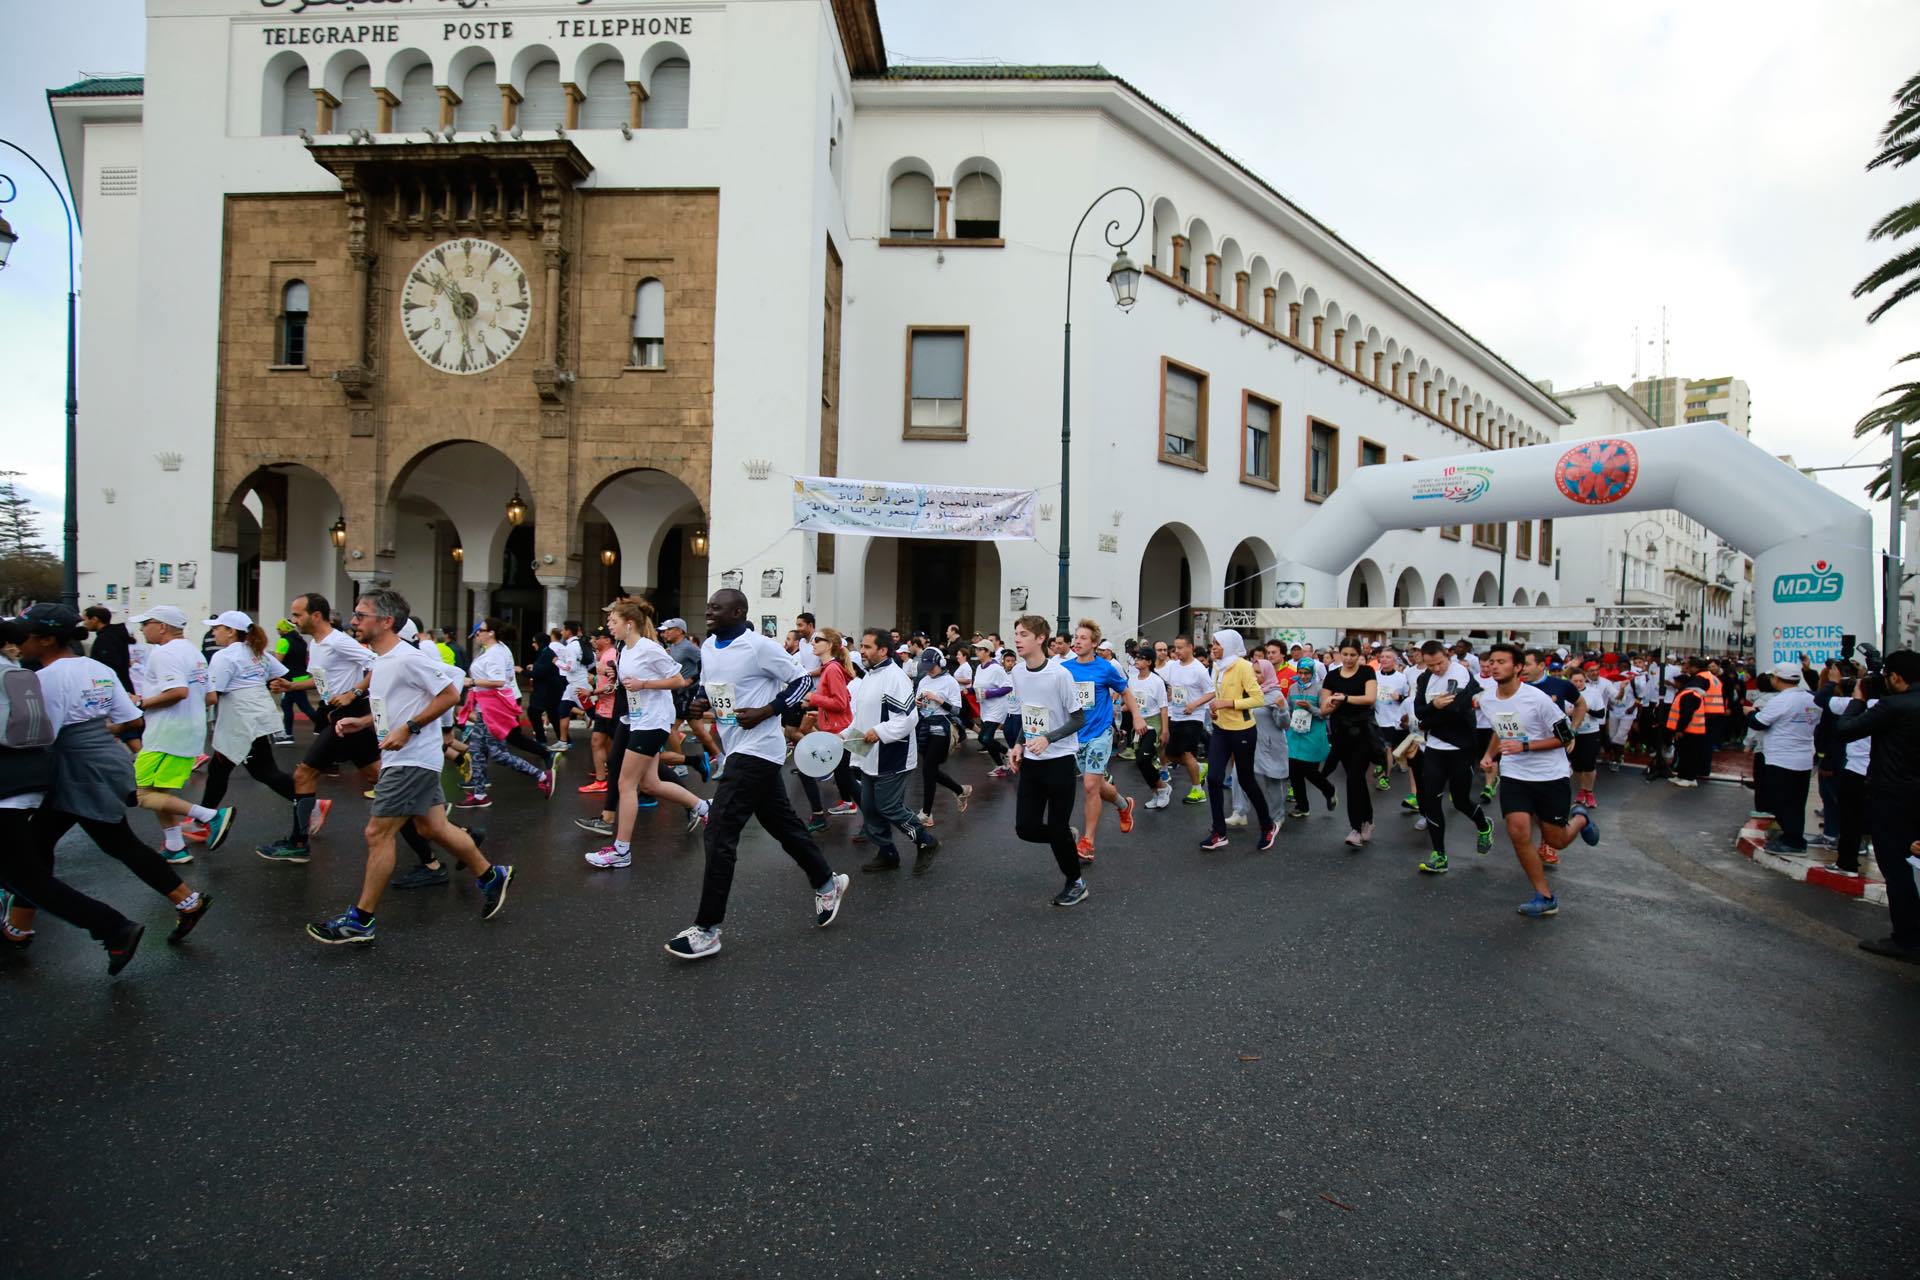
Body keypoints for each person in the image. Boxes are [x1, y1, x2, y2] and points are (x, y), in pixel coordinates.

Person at [305, 590, 512, 944]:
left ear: (386, 622)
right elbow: (398, 706)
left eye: (361, 615)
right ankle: (490, 875)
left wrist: (410, 728)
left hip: (411, 759)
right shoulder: (383, 660)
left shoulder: (406, 658)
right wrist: (364, 723)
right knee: (433, 827)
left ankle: (361, 920)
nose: (353, 621)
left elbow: (449, 692)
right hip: (406, 756)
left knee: (377, 833)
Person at [0, 608, 197, 973]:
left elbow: (42, 734)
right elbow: (129, 719)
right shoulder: (97, 669)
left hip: (75, 768)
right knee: (56, 845)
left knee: (73, 846)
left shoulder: (43, 678)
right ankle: (19, 926)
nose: (19, 644)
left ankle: (30, 926)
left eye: (25, 637)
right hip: (108, 760)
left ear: (45, 639)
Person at [661, 589, 847, 961]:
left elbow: (802, 684)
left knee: (719, 830)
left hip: (758, 750)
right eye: (708, 605)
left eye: (717, 607)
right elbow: (712, 686)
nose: (709, 611)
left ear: (739, 611)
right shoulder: (711, 646)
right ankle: (827, 882)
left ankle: (707, 929)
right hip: (736, 746)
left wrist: (767, 711)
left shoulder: (759, 646)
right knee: (782, 825)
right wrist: (700, 700)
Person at [1476, 642, 1600, 917]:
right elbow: (1500, 728)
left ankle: (1580, 818)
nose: (1494, 666)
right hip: (1515, 774)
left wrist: (1526, 746)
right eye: (1491, 662)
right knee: (1518, 831)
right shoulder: (1487, 699)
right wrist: (1490, 754)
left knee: (1556, 841)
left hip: (1549, 775)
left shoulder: (1538, 699)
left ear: (1518, 667)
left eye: (1501, 661)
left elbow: (1566, 737)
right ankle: (1544, 896)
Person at [584, 600, 709, 870]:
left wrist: (644, 684)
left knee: (625, 784)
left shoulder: (649, 648)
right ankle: (703, 807)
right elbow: (632, 683)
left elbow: (677, 680)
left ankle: (621, 850)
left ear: (629, 623)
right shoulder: (625, 650)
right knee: (650, 784)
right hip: (639, 720)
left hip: (654, 721)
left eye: (613, 621)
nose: (609, 626)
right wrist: (617, 677)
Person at [257, 593, 376, 863]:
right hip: (335, 712)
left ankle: (298, 843)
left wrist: (353, 693)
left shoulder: (338, 641)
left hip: (348, 714)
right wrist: (291, 685)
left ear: (317, 616)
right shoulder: (318, 644)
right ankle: (442, 824)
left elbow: (378, 665)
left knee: (303, 774)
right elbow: (319, 680)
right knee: (378, 777)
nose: (293, 620)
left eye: (298, 615)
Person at [1831, 649, 1920, 962]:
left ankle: (1907, 939)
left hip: (1892, 796)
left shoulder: (1893, 705)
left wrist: (1857, 698)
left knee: (1897, 868)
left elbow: (1844, 729)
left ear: (1895, 677)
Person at [1007, 614, 1090, 906]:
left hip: (1060, 761)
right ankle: (1065, 837)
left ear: (1040, 638)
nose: (1017, 639)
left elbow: (1079, 718)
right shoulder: (1017, 672)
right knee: (1025, 828)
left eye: (1024, 634)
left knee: (1055, 826)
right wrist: (1018, 744)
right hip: (1032, 760)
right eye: (1016, 633)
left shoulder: (1059, 674)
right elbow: (1029, 715)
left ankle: (1076, 882)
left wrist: (1049, 738)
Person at [126, 605, 218, 864]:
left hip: (165, 733)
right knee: (159, 794)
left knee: (142, 795)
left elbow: (178, 692)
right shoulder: (195, 653)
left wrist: (140, 703)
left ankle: (208, 815)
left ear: (162, 626)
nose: (142, 629)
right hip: (190, 730)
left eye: (146, 624)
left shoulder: (163, 653)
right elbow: (210, 697)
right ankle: (175, 846)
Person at [851, 627, 941, 874]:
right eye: (862, 645)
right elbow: (861, 717)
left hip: (892, 755)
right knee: (869, 807)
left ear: (882, 650)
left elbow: (908, 719)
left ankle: (926, 842)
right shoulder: (869, 676)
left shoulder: (895, 676)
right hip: (869, 754)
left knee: (888, 807)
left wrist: (879, 732)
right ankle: (888, 853)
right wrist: (841, 736)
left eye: (867, 646)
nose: (862, 650)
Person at [198, 610, 298, 817]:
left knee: (260, 772)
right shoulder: (257, 651)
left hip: (240, 721)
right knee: (244, 770)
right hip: (259, 716)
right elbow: (279, 675)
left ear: (231, 631)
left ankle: (310, 802)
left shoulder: (224, 656)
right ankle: (202, 819)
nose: (213, 633)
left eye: (217, 628)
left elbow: (214, 694)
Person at [1410, 639, 1494, 875]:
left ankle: (1484, 825)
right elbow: (1418, 710)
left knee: (1460, 801)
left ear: (1447, 656)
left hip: (1462, 746)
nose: (1436, 669)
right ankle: (1439, 855)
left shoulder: (1461, 674)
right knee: (1431, 799)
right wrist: (1433, 707)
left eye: (1439, 663)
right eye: (1430, 665)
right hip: (1435, 747)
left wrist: (1429, 716)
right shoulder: (1424, 678)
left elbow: (1455, 709)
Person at [1061, 620, 1141, 860]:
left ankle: (1088, 842)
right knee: (1095, 784)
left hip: (1100, 732)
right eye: (1076, 637)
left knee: (1089, 786)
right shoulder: (1065, 669)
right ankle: (1124, 805)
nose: (1077, 641)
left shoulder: (1105, 668)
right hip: (1076, 735)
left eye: (1083, 638)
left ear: (1094, 643)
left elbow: (1126, 691)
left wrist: (1136, 717)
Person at [457, 617, 555, 809]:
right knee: (477, 749)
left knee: (498, 753)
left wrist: (471, 682)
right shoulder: (495, 650)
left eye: (480, 631)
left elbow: (499, 681)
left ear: (490, 633)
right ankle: (479, 794)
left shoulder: (495, 653)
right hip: (486, 707)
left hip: (493, 709)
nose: (477, 634)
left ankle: (542, 776)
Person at [1198, 629, 1277, 852]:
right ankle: (1218, 832)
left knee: (1246, 780)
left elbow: (1258, 698)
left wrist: (1228, 704)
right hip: (1221, 729)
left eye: (1217, 644)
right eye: (1212, 643)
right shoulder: (1218, 666)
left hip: (1243, 731)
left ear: (1230, 645)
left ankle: (1267, 825)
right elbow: (1218, 695)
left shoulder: (1242, 666)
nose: (1213, 647)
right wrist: (1215, 712)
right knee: (1213, 778)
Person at [796, 628, 861, 832]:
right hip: (836, 731)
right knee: (846, 779)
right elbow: (837, 702)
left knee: (805, 770)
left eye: (818, 640)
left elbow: (840, 703)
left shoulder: (832, 669)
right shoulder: (830, 668)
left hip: (838, 734)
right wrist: (819, 710)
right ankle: (875, 819)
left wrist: (813, 698)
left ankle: (818, 816)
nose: (813, 643)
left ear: (830, 645)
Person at [1750, 661, 1817, 853]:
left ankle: (1792, 841)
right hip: (1803, 758)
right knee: (1796, 802)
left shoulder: (1780, 701)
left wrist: (1751, 713)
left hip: (1782, 759)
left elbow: (1759, 722)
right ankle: (1792, 836)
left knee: (1781, 802)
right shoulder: (1810, 698)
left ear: (1777, 679)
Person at [1320, 638, 1380, 848]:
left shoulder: (1366, 673)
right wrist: (1332, 702)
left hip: (1362, 732)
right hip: (1340, 734)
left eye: (1352, 655)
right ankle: (1368, 820)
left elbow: (1370, 698)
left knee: (1354, 777)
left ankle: (1355, 827)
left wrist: (1344, 698)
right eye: (1344, 654)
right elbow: (1324, 709)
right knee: (1357, 780)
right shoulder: (1332, 676)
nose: (1348, 659)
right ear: (1339, 653)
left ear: (1360, 655)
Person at [911, 645, 972, 826]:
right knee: (931, 770)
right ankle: (960, 789)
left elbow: (956, 710)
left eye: (932, 666)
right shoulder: (923, 680)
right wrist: (918, 703)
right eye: (926, 667)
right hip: (923, 726)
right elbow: (918, 702)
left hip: (942, 727)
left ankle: (927, 814)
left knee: (928, 768)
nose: (929, 670)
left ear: (941, 663)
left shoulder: (950, 682)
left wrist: (938, 699)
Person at [1161, 634, 1213, 804]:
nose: (1177, 651)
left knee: (1185, 752)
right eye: (1175, 648)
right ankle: (1199, 767)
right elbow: (1172, 686)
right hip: (1175, 714)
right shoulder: (1173, 666)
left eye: (1181, 647)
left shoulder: (1199, 669)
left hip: (1193, 716)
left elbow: (1212, 692)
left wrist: (1194, 704)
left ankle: (1198, 791)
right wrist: (1169, 694)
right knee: (1170, 754)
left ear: (1191, 647)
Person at [1284, 656, 1336, 818]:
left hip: (1313, 734)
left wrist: (1310, 707)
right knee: (1294, 772)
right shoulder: (1292, 688)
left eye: (1307, 673)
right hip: (1295, 734)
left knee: (1309, 771)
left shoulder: (1320, 689)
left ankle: (1329, 790)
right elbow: (1289, 709)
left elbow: (1324, 715)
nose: (1303, 676)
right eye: (1300, 672)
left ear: (1312, 672)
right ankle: (1302, 806)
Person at [1129, 648, 1172, 809]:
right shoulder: (1132, 679)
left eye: (1141, 658)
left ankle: (1163, 788)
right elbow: (1131, 703)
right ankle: (1156, 793)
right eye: (1136, 658)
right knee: (1140, 762)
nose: (1137, 660)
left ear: (1149, 662)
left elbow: (1164, 707)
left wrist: (1165, 730)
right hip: (1137, 723)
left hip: (1153, 724)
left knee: (1143, 759)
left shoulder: (1156, 681)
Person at [578, 628, 617, 795]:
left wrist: (591, 692)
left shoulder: (611, 657)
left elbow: (614, 685)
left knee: (616, 747)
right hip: (604, 708)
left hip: (613, 709)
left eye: (596, 638)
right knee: (598, 742)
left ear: (607, 639)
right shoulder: (604, 656)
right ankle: (602, 779)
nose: (593, 641)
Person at [1568, 667, 1607, 809]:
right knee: (1577, 766)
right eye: (1575, 681)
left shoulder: (1594, 693)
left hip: (1591, 732)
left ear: (1585, 680)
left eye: (1580, 680)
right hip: (1573, 733)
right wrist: (1569, 712)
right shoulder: (1566, 693)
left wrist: (1587, 709)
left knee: (1589, 765)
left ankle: (1589, 792)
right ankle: (1582, 789)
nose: (1578, 683)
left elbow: (1601, 714)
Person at [272, 617, 314, 744]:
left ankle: (324, 726)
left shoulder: (283, 641)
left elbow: (277, 662)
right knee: (287, 705)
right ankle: (288, 734)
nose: (278, 631)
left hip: (290, 679)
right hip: (302, 676)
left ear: (283, 629)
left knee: (304, 707)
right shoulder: (301, 641)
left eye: (278, 629)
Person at [975, 646, 1015, 774]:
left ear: (987, 652)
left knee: (984, 738)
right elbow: (978, 687)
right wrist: (967, 691)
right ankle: (1000, 766)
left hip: (997, 708)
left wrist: (988, 694)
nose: (976, 652)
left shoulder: (996, 668)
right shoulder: (979, 667)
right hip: (986, 708)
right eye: (976, 649)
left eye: (980, 649)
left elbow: (1008, 687)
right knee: (987, 739)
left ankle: (1008, 753)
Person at [81, 605, 135, 693]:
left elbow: (107, 666)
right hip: (121, 686)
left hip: (114, 690)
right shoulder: (115, 635)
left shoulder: (105, 639)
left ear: (95, 619)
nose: (84, 623)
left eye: (85, 619)